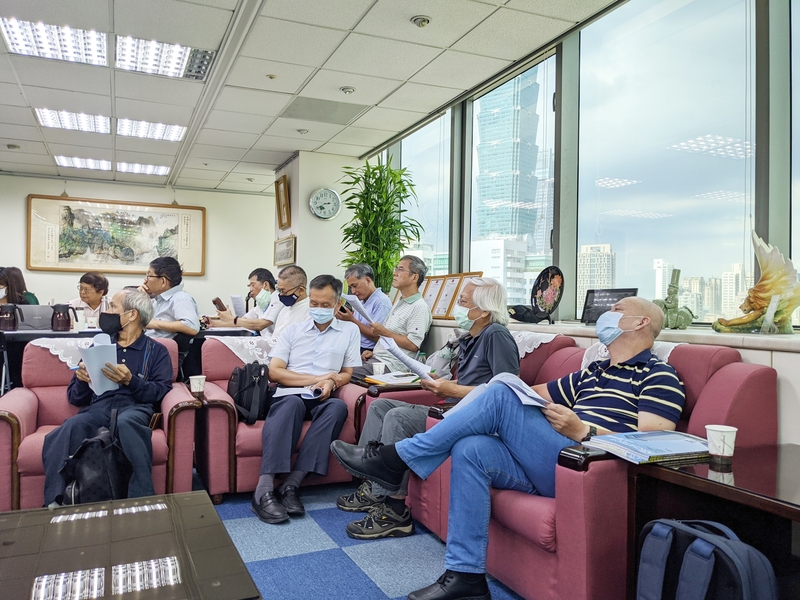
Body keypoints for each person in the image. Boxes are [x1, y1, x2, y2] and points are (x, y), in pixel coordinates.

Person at [331, 297, 686, 600]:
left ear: (641, 322)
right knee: (471, 446)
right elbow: (528, 393)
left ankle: (397, 457)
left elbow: (652, 441)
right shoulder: (593, 371)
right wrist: (460, 390)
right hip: (552, 459)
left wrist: (584, 430)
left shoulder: (658, 374)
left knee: (502, 388)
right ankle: (466, 576)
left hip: (587, 466)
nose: (607, 314)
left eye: (617, 309)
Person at [338, 277, 520, 541]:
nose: (458, 307)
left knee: (398, 417)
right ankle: (373, 486)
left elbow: (506, 390)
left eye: (463, 302)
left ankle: (395, 512)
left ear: (483, 311)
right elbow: (475, 384)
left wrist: (451, 390)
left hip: (470, 418)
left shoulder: (496, 335)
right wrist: (443, 383)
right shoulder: (472, 337)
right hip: (454, 408)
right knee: (380, 406)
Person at [41, 288, 174, 506]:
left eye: (113, 306)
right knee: (71, 426)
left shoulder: (156, 351)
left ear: (132, 315)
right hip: (99, 407)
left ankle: (141, 501)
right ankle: (54, 502)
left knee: (126, 424)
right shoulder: (99, 346)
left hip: (134, 407)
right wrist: (82, 379)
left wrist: (131, 381)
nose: (107, 311)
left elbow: (160, 391)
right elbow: (75, 398)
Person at [252, 275, 361, 524]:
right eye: (314, 303)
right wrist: (317, 378)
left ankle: (291, 485)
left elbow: (347, 372)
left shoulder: (349, 331)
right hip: (289, 393)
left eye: (325, 305)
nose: (318, 309)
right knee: (292, 404)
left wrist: (332, 382)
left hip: (322, 395)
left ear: (338, 304)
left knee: (338, 407)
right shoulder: (293, 331)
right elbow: (275, 372)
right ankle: (263, 490)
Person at [353, 255, 432, 377]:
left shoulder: (419, 307)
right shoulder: (399, 302)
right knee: (339, 367)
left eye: (400, 269)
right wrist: (374, 352)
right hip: (379, 359)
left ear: (414, 277)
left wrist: (383, 332)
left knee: (344, 373)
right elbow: (392, 337)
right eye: (396, 269)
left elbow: (413, 345)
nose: (395, 273)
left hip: (393, 366)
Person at [335, 263, 393, 353]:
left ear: (368, 280)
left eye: (355, 286)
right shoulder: (361, 300)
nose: (353, 291)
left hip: (369, 351)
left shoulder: (381, 302)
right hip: (355, 345)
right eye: (350, 287)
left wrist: (351, 320)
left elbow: (377, 335)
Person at [212, 268, 283, 337]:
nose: (250, 289)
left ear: (266, 285)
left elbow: (261, 324)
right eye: (250, 286)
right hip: (264, 339)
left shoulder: (278, 300)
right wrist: (213, 323)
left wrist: (232, 318)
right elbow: (242, 321)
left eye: (253, 285)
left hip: (274, 342)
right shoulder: (262, 303)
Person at [140, 257, 200, 339]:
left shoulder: (180, 298)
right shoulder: (157, 299)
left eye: (149, 275)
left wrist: (155, 324)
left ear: (163, 281)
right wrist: (138, 296)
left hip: (159, 345)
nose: (145, 280)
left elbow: (192, 327)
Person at [270, 264, 311, 341]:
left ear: (301, 290)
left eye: (283, 291)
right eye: (279, 290)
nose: (281, 295)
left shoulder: (310, 312)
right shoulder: (284, 310)